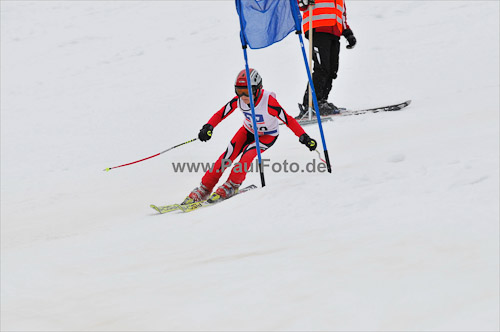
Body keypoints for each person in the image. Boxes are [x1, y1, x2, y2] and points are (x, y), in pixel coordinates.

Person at [183, 68, 318, 204]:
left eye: (246, 91)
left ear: (258, 89)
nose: (243, 96)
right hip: (247, 131)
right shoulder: (239, 101)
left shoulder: (269, 102)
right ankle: (204, 188)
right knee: (227, 156)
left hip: (267, 136)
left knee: (247, 156)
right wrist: (209, 127)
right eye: (238, 91)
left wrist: (304, 137)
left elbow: (288, 119)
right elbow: (221, 114)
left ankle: (232, 185)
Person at [297, 0, 357, 117]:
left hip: (334, 32)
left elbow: (341, 14)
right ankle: (311, 104)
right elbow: (299, 4)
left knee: (331, 70)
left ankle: (322, 100)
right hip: (317, 28)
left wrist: (347, 32)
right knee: (322, 68)